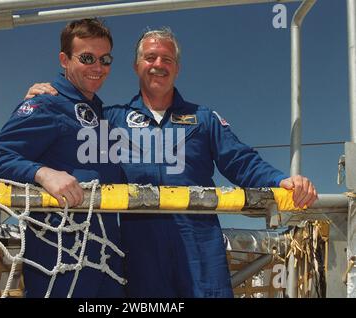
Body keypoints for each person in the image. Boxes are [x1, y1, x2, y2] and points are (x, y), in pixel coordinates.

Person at [26, 28, 318, 298]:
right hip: (139, 251)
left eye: (167, 58)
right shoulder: (110, 119)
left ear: (177, 68)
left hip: (200, 250)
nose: (158, 64)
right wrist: (45, 97)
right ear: (136, 65)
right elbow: (68, 126)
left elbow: (241, 161)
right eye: (150, 57)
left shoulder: (203, 119)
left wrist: (282, 181)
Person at [0, 18, 126, 298]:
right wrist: (43, 173)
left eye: (105, 59)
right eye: (87, 58)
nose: (98, 67)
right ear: (64, 59)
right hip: (60, 262)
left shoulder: (104, 118)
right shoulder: (46, 102)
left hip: (107, 263)